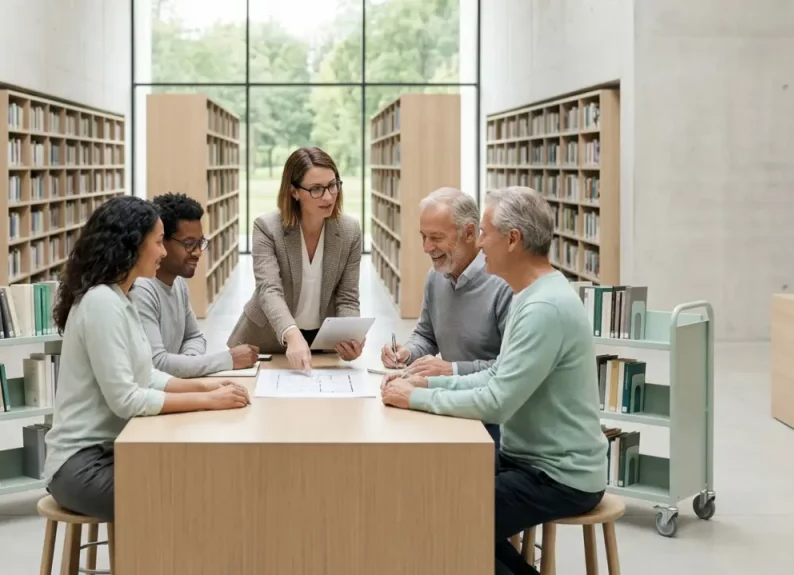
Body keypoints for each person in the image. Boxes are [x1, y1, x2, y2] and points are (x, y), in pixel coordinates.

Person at [380, 186, 607, 575]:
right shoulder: (530, 296)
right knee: (438, 499)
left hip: (557, 475)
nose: (480, 243)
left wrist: (416, 398)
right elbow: (499, 375)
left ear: (513, 240)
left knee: (442, 520)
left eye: (485, 233)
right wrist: (425, 385)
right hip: (528, 460)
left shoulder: (544, 308)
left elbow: (496, 402)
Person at [43, 195, 251, 523]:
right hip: (82, 466)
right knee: (192, 493)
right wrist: (208, 400)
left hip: (112, 451)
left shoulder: (119, 299)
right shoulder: (102, 304)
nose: (164, 252)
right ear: (132, 246)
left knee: (204, 475)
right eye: (158, 242)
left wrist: (207, 388)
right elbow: (127, 399)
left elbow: (148, 375)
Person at [380, 188, 513, 442]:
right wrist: (407, 352)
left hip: (492, 417)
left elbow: (507, 368)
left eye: (436, 238)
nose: (426, 247)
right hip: (449, 402)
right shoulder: (436, 277)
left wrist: (451, 369)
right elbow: (426, 335)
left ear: (470, 233)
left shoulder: (504, 284)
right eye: (423, 237)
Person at [227, 147, 364, 372]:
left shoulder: (350, 231)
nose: (328, 196)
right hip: (267, 340)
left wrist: (349, 335)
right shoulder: (267, 228)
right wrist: (292, 334)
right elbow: (269, 290)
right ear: (294, 192)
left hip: (322, 342)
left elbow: (348, 298)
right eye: (316, 189)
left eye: (332, 185)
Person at [131, 192, 258, 377]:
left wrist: (188, 364)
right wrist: (227, 360)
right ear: (161, 240)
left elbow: (194, 337)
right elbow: (156, 363)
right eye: (189, 243)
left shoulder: (179, 283)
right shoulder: (141, 289)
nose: (198, 252)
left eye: (200, 243)